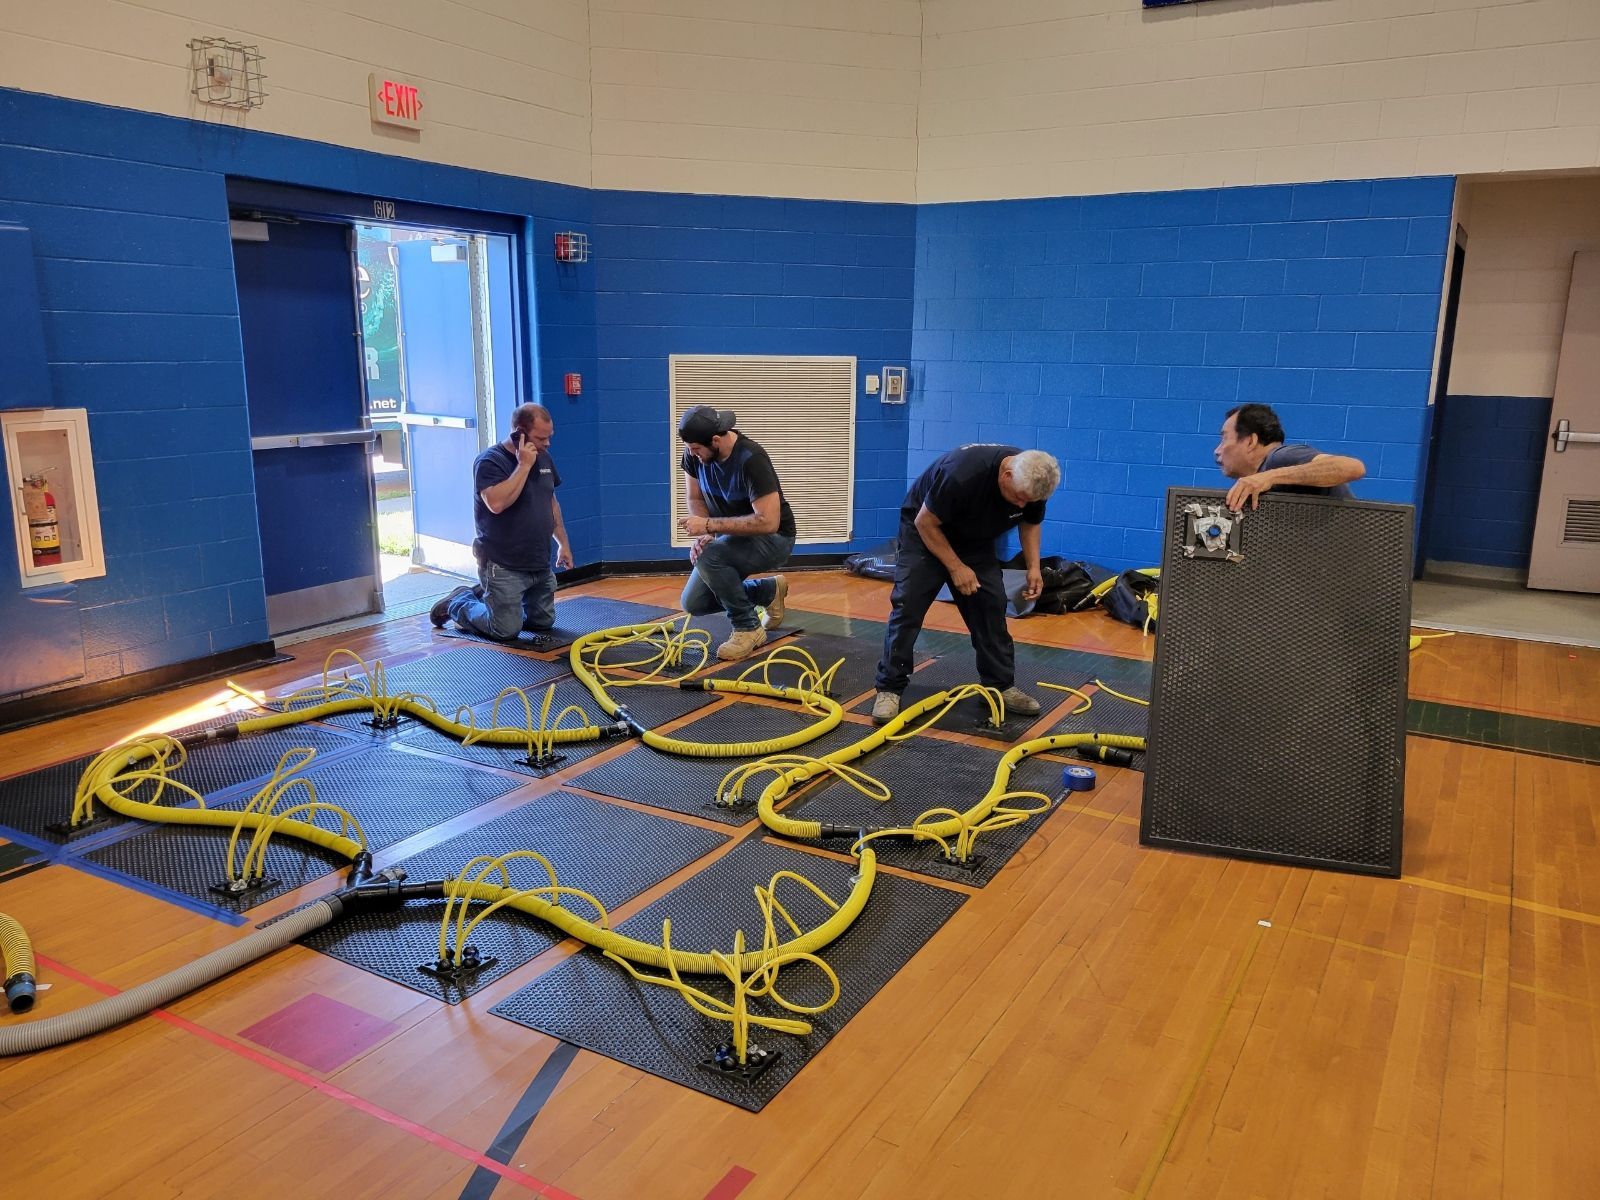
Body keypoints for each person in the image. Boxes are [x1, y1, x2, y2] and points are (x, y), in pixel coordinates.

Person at [870, 445, 1061, 725]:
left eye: (1027, 501)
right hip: (925, 532)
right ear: (1006, 474)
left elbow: (1030, 523)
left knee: (991, 605)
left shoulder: (1035, 479)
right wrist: (956, 568)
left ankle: (1000, 686)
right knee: (908, 606)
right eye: (1019, 498)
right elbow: (926, 523)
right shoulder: (962, 473)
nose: (1021, 505)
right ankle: (889, 687)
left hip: (974, 540)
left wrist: (1033, 567)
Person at [431, 403, 573, 640]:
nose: (547, 444)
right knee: (505, 630)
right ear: (520, 433)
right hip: (502, 563)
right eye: (541, 438)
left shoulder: (545, 458)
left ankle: (491, 595)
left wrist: (563, 544)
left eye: (549, 437)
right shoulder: (490, 461)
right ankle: (459, 602)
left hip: (537, 561)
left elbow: (551, 503)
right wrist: (524, 465)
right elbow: (496, 504)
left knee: (542, 623)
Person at [675, 405, 794, 661]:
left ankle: (747, 628)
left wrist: (709, 527)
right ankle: (766, 592)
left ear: (716, 440)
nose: (692, 454)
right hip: (729, 537)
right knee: (693, 603)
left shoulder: (751, 459)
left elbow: (768, 522)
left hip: (774, 539)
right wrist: (705, 533)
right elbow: (694, 497)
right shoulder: (694, 454)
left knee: (708, 557)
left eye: (697, 449)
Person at [1214, 403, 1366, 510]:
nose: (1217, 450)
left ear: (1251, 441)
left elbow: (1353, 468)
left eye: (1225, 438)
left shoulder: (1280, 456)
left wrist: (1269, 477)